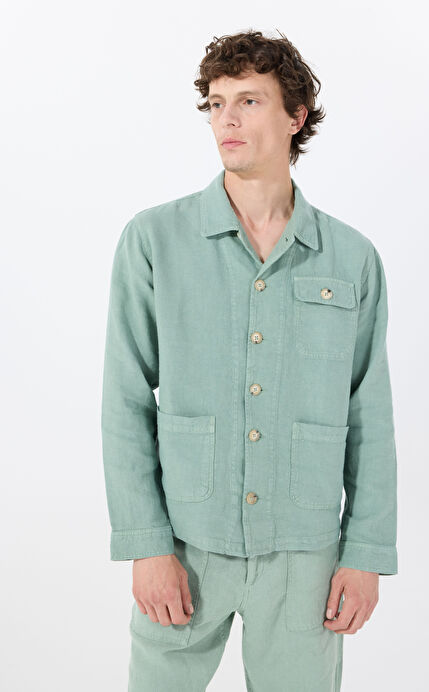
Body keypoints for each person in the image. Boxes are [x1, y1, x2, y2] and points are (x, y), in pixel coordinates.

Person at [101, 29, 398, 692]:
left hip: (305, 555)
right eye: (215, 103)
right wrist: (146, 544)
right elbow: (124, 397)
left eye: (249, 101)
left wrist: (366, 554)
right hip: (185, 543)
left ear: (295, 117)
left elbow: (369, 413)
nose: (226, 119)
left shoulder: (351, 258)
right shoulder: (153, 240)